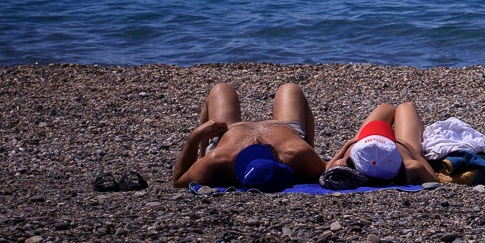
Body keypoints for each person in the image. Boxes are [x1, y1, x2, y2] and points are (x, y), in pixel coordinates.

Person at [172, 82, 325, 190]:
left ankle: (201, 156)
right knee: (290, 88)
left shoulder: (218, 160)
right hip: (286, 129)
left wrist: (195, 137)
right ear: (280, 160)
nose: (256, 141)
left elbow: (178, 181)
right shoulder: (297, 153)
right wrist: (310, 158)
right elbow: (330, 168)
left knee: (221, 89)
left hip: (227, 131)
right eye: (264, 149)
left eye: (248, 151)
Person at [322, 102, 439, 188]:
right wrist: (409, 149)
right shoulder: (410, 166)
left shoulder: (344, 164)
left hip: (369, 136)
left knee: (385, 107)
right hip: (395, 146)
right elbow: (433, 179)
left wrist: (348, 144)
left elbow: (325, 171)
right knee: (406, 106)